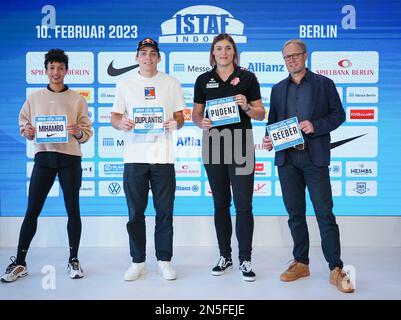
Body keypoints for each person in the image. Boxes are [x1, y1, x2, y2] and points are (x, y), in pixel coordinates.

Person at [262, 39, 354, 293]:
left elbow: (338, 115)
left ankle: (336, 267)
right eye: (287, 57)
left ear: (305, 56)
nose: (291, 60)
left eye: (295, 55)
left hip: (314, 158)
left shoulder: (324, 84)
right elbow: (272, 122)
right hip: (287, 160)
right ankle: (301, 262)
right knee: (295, 215)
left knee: (325, 214)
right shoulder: (278, 89)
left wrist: (316, 125)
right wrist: (269, 139)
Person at [1, 49, 93, 283]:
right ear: (46, 70)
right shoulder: (34, 98)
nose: (56, 72)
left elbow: (87, 132)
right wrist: (28, 131)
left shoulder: (77, 99)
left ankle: (74, 259)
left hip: (70, 160)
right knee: (32, 210)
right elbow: (25, 125)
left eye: (60, 68)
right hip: (44, 159)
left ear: (66, 71)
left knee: (73, 210)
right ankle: (20, 262)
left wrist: (78, 132)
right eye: (52, 68)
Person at [111, 37, 185, 281]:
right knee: (136, 213)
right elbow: (115, 117)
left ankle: (164, 260)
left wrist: (178, 122)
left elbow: (180, 116)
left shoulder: (171, 83)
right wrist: (121, 123)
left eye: (153, 53)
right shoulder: (124, 84)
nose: (148, 58)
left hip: (162, 156)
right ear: (136, 58)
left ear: (159, 57)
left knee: (164, 212)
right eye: (143, 53)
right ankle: (138, 261)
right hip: (134, 157)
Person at [192, 33, 265, 282]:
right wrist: (200, 121)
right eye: (218, 48)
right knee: (220, 204)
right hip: (213, 145)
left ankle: (245, 259)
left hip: (241, 145)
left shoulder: (247, 78)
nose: (223, 52)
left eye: (228, 48)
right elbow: (196, 114)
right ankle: (225, 256)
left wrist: (246, 106)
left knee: (244, 205)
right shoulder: (203, 79)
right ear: (212, 53)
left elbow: (260, 113)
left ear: (234, 52)